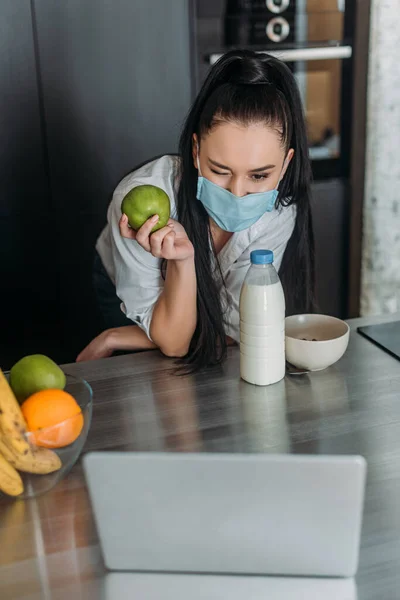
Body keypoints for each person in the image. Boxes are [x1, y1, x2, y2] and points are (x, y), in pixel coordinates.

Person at [77, 49, 315, 370]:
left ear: (285, 165)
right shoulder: (141, 201)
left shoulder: (279, 212)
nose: (238, 193)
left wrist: (117, 337)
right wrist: (182, 260)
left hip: (187, 328)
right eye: (220, 170)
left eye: (259, 175)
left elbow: (235, 329)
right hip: (120, 292)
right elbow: (174, 343)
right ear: (195, 151)